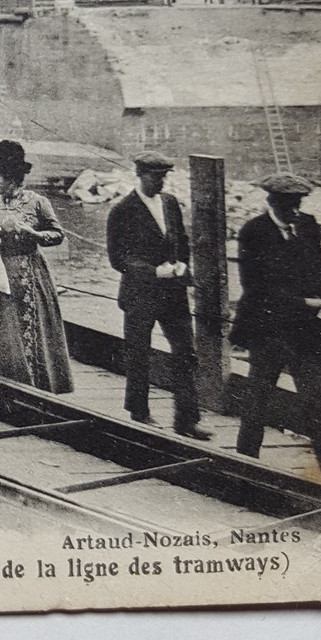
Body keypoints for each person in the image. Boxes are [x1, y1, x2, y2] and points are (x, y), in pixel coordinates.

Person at [232, 173, 321, 482]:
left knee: (316, 398)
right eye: (288, 205)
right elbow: (257, 289)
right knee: (259, 394)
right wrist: (307, 304)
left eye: (298, 204)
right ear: (272, 201)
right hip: (266, 327)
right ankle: (245, 463)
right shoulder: (253, 232)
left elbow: (319, 270)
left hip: (302, 331)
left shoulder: (307, 226)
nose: (295, 211)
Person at [106, 151, 212, 438]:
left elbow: (181, 240)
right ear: (140, 175)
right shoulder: (122, 210)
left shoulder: (170, 203)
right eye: (156, 176)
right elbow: (118, 258)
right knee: (139, 353)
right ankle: (139, 411)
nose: (162, 181)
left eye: (164, 176)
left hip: (173, 293)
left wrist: (182, 265)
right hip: (140, 294)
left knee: (185, 352)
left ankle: (187, 420)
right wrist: (154, 271)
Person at [0, 140, 73, 393]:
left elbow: (58, 235)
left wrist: (33, 234)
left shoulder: (37, 202)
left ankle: (38, 384)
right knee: (1, 331)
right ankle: (3, 385)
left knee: (32, 329)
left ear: (11, 177)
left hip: (29, 273)